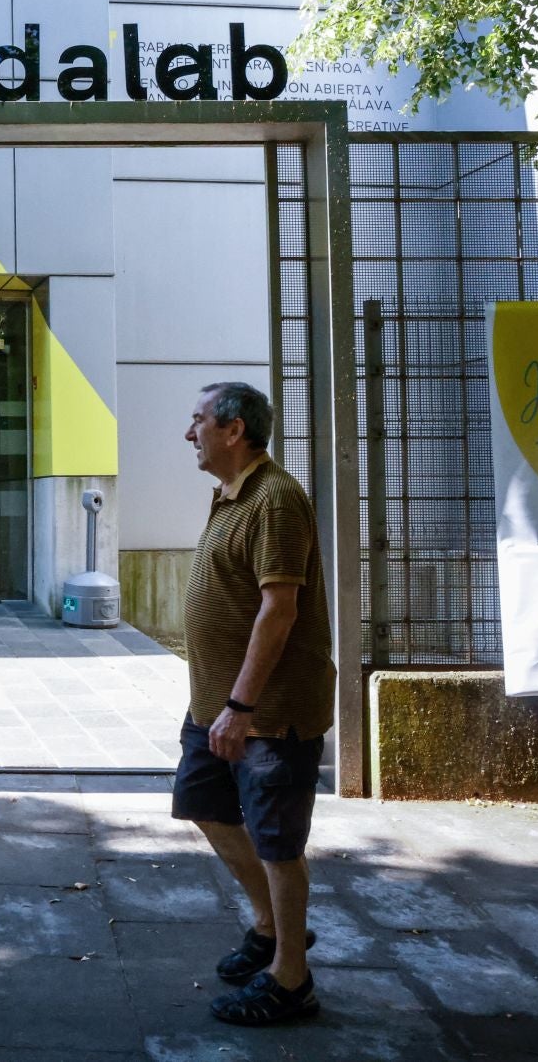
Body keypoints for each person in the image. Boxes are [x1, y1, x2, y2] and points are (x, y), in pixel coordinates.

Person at [174, 382, 335, 1026]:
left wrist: (241, 706)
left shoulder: (275, 498)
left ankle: (291, 980)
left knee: (278, 842)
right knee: (202, 801)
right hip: (217, 704)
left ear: (234, 429)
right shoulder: (233, 494)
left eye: (199, 421)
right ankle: (270, 926)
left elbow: (279, 606)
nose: (191, 434)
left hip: (266, 710)